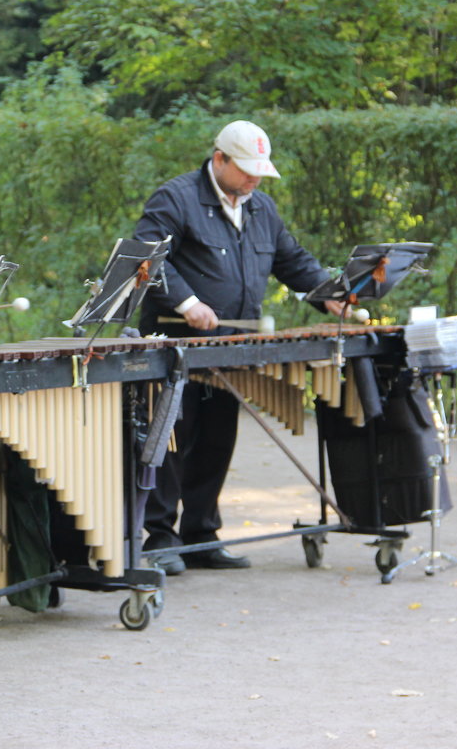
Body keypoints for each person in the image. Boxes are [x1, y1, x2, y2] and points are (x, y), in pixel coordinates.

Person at [133, 120, 347, 575]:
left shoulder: (261, 208)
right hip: (175, 347)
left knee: (216, 439)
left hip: (231, 347)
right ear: (219, 160)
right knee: (171, 441)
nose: (254, 180)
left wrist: (328, 292)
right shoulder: (176, 197)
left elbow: (292, 260)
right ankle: (160, 538)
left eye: (260, 172)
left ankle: (201, 534)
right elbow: (146, 256)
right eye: (246, 170)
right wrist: (187, 301)